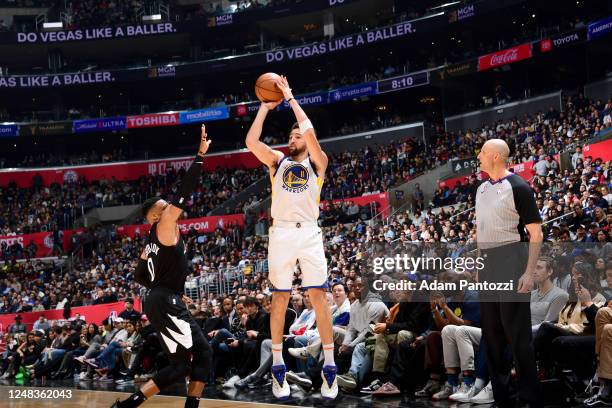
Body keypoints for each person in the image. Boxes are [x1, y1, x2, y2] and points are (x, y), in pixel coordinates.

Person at [245, 75, 337, 399]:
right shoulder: (277, 162)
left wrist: (291, 98)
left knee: (318, 297)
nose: (293, 137)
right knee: (280, 298)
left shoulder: (318, 163)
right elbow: (251, 142)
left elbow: (310, 132)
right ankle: (278, 365)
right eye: (291, 135)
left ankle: (330, 365)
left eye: (297, 134)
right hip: (281, 233)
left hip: (310, 233)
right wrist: (264, 108)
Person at [111, 125, 212, 408]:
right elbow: (184, 192)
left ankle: (185, 405)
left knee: (202, 353)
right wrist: (200, 156)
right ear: (156, 215)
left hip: (161, 298)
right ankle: (129, 404)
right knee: (181, 365)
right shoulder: (164, 224)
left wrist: (163, 288)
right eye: (165, 205)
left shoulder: (151, 240)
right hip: (164, 299)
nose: (170, 206)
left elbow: (139, 275)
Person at [475, 139, 543, 407]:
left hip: (512, 259)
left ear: (494, 156)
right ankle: (502, 396)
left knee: (517, 334)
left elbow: (536, 233)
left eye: (481, 152)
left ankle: (529, 397)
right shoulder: (480, 189)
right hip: (489, 263)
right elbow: (481, 231)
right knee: (491, 334)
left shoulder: (519, 187)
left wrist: (528, 272)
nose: (478, 156)